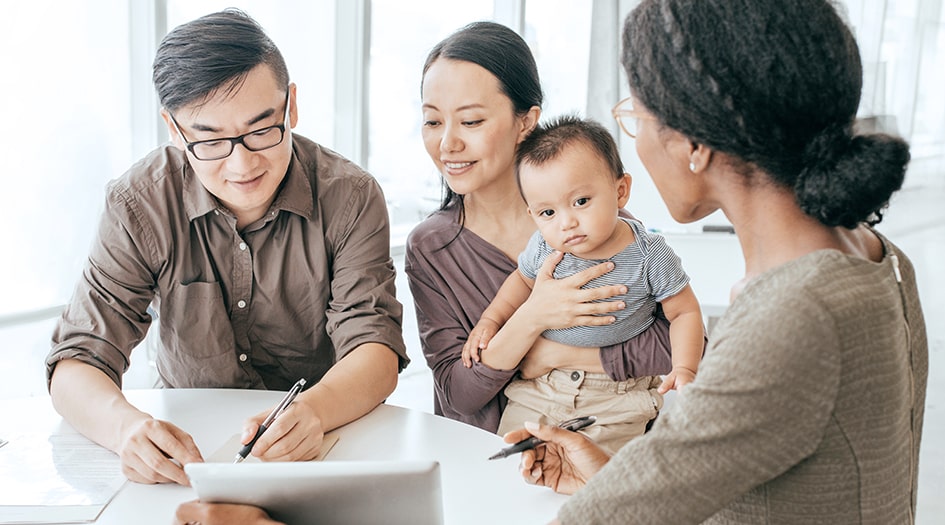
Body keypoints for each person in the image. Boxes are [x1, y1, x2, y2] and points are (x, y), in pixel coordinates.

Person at [505, 0, 928, 523]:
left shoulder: (792, 313)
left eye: (636, 116)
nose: (636, 140)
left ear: (694, 142)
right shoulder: (878, 259)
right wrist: (613, 477)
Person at [45, 9, 408, 487]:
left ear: (290, 106)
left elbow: (374, 346)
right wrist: (126, 429)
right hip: (188, 450)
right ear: (174, 130)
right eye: (210, 141)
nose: (242, 165)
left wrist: (315, 409)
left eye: (262, 130)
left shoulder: (351, 195)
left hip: (322, 438)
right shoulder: (138, 203)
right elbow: (78, 359)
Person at [405, 21, 679, 435]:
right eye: (432, 122)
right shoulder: (432, 247)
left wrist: (549, 355)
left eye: (471, 121)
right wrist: (531, 317)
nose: (448, 144)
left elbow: (680, 343)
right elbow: (458, 392)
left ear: (526, 122)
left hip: (608, 460)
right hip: (492, 467)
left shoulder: (600, 225)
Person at [462, 115, 704, 450]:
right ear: (532, 215)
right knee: (516, 465)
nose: (567, 222)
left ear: (620, 191)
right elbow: (520, 282)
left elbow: (684, 314)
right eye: (548, 213)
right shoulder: (545, 247)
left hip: (616, 394)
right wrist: (490, 321)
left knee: (597, 482)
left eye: (580, 202)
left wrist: (685, 367)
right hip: (539, 389)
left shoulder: (650, 255)